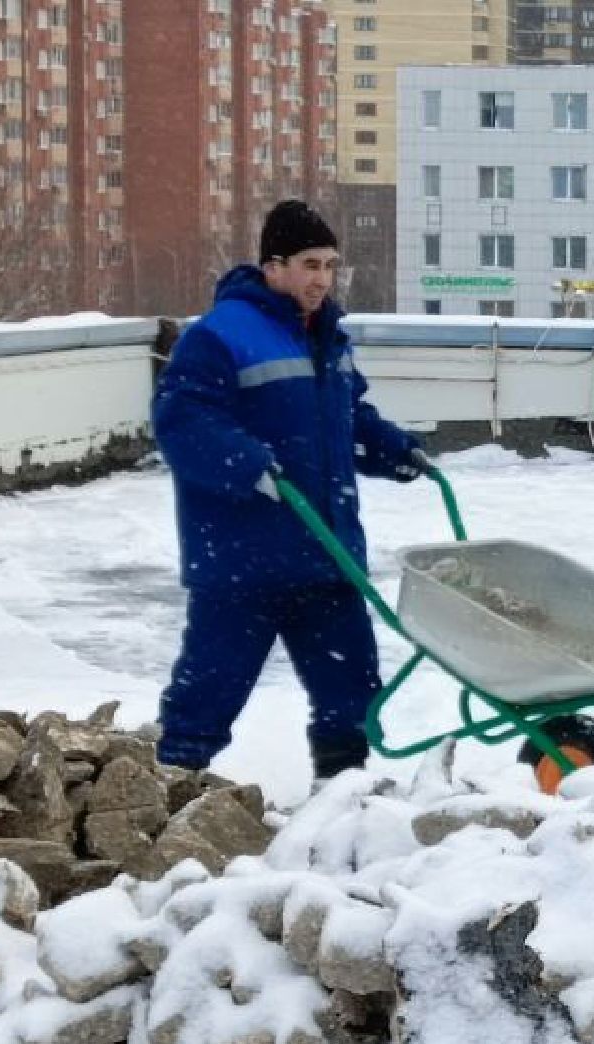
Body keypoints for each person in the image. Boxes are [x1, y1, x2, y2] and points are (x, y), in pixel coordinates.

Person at [152, 200, 426, 780]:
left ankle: (342, 796)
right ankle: (169, 790)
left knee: (352, 691)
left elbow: (348, 418)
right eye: (310, 264)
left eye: (330, 265)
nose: (322, 279)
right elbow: (183, 423)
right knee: (210, 688)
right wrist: (249, 463)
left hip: (326, 556)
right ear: (273, 266)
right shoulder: (220, 336)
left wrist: (394, 448)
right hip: (242, 563)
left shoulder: (329, 337)